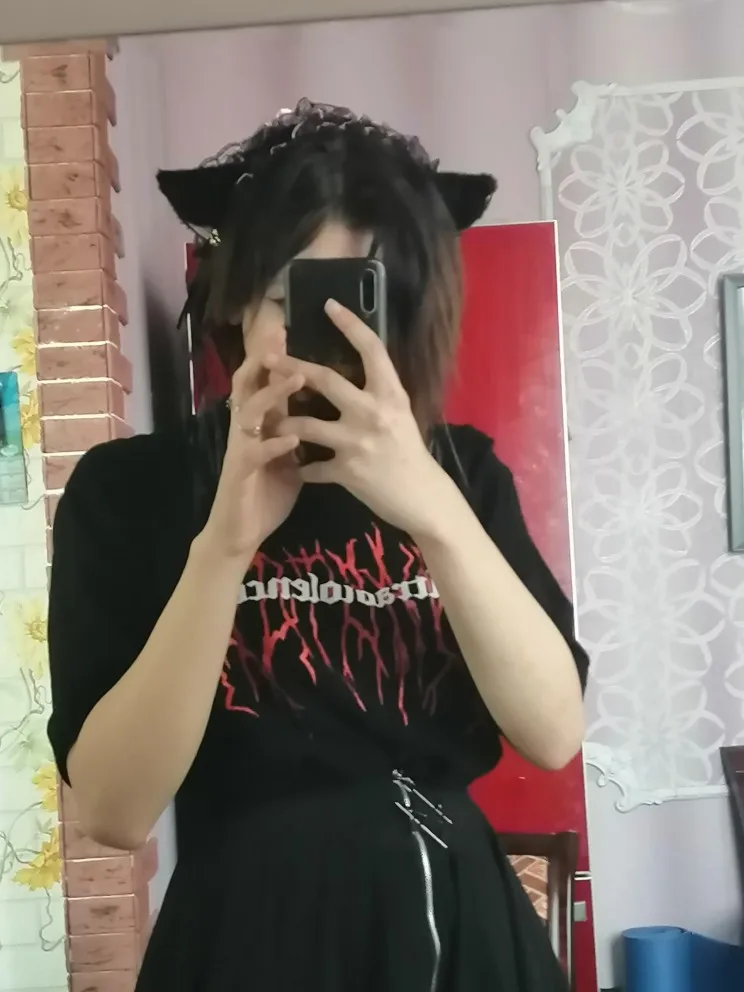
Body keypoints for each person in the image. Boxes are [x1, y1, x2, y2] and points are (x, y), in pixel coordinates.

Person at [47, 99, 589, 992]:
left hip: (458, 933)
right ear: (236, 301)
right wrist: (225, 546)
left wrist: (435, 511)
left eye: (363, 304)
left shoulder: (464, 476)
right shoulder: (135, 490)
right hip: (247, 936)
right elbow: (113, 809)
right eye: (294, 301)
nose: (333, 339)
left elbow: (553, 733)